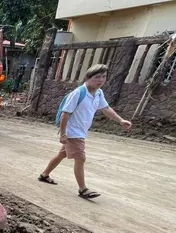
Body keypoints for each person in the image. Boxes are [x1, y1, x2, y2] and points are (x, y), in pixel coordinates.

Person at [38, 64, 132, 199]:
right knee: (80, 158)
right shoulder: (78, 93)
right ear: (88, 78)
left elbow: (105, 108)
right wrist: (64, 134)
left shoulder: (98, 93)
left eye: (103, 77)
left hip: (80, 131)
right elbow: (65, 114)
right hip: (73, 132)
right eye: (97, 77)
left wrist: (120, 120)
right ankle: (83, 189)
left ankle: (44, 175)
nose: (101, 80)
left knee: (62, 155)